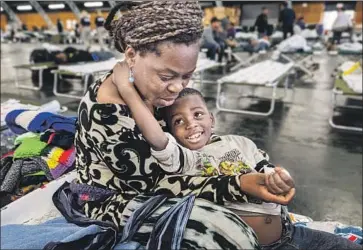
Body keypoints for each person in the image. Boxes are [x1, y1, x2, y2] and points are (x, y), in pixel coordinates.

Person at [75, 2, 297, 249]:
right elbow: (157, 186)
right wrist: (238, 184)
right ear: (131, 55)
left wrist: (255, 173)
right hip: (121, 196)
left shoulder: (150, 86)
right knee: (224, 231)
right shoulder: (107, 112)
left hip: (176, 170)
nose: (177, 88)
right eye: (167, 77)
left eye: (187, 75)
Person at [111, 83, 363, 250]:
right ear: (171, 132)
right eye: (179, 121)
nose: (191, 124)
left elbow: (264, 165)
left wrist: (278, 178)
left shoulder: (239, 142)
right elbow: (157, 140)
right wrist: (127, 89)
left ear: (212, 118)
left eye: (198, 115)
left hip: (290, 234)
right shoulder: (184, 158)